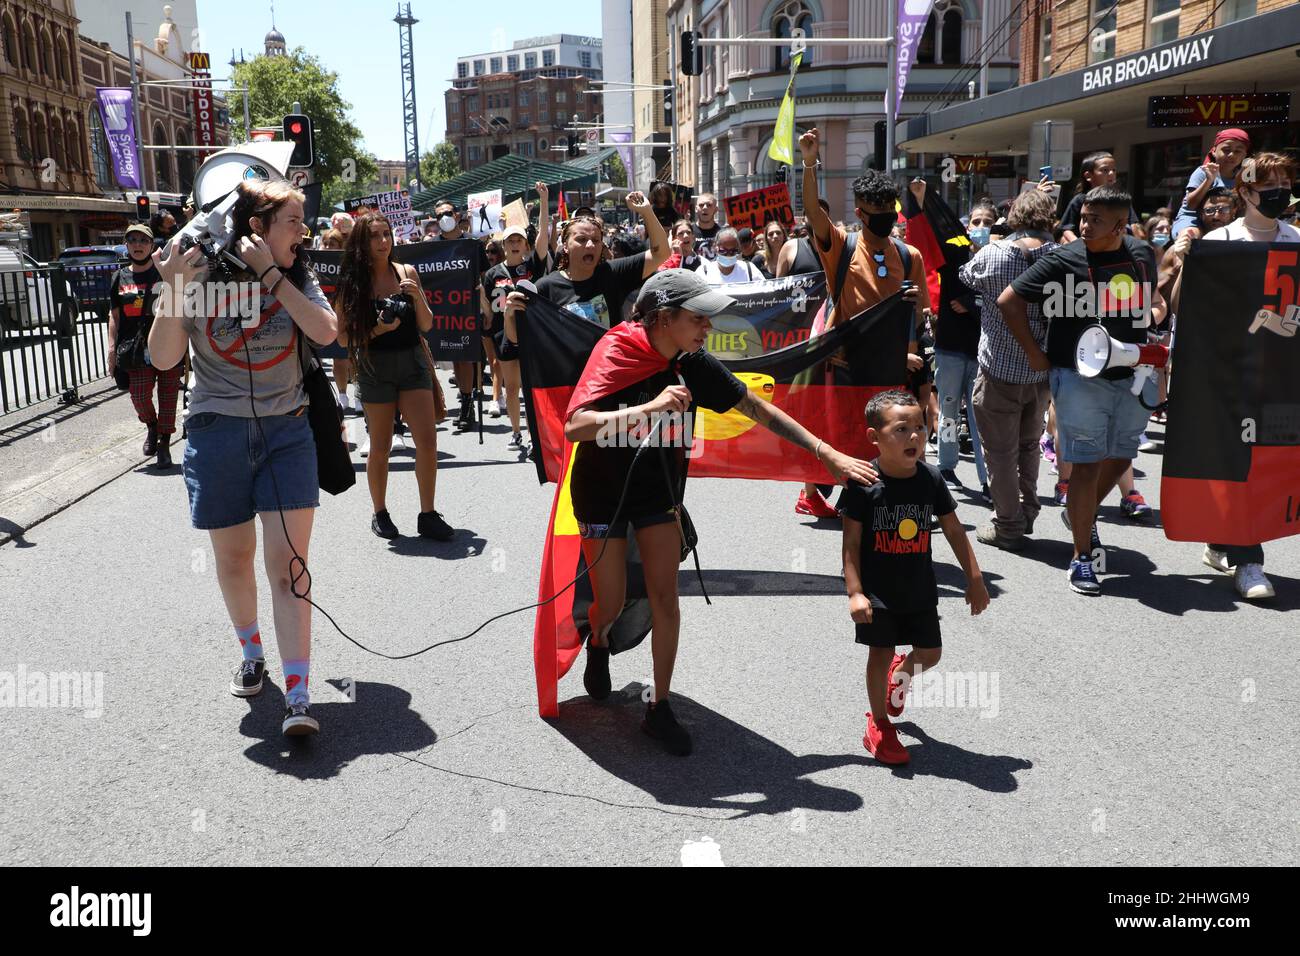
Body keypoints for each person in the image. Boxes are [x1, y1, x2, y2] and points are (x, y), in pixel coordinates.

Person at [564, 269, 878, 755]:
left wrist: (826, 453)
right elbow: (576, 427)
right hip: (601, 492)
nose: (708, 327)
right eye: (698, 317)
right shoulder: (617, 348)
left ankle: (658, 706)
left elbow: (757, 408)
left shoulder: (692, 362)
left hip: (658, 492)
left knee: (666, 598)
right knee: (609, 600)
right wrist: (649, 409)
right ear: (664, 319)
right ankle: (600, 639)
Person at [147, 178, 337, 736]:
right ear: (257, 227)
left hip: (287, 432)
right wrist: (176, 290)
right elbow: (162, 359)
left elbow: (325, 333)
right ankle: (252, 653)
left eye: (303, 222)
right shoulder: (198, 279)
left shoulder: (298, 273)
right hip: (217, 432)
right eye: (293, 223)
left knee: (288, 566)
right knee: (233, 560)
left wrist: (273, 277)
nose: (304, 233)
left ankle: (299, 695)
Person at [998, 186, 1166, 596]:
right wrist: (1037, 356)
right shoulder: (1064, 258)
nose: (1084, 225)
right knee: (1087, 465)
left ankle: (1081, 513)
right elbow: (1008, 301)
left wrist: (1156, 315)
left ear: (1121, 225)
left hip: (1132, 373)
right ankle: (1081, 557)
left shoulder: (1141, 254)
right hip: (1077, 377)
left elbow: (1155, 299)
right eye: (1084, 217)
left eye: (1095, 220)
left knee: (1122, 453)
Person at [1172, 151, 1299, 601]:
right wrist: (1188, 261)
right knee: (1235, 461)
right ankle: (1249, 560)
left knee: (1270, 465)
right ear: (1244, 192)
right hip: (1227, 374)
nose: (1280, 193)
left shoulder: (1296, 241)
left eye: (1286, 183)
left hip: (1282, 375)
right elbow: (1184, 308)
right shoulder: (1221, 241)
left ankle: (1225, 538)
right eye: (1270, 186)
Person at [842, 390, 988, 764]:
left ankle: (901, 675)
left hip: (920, 587)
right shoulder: (864, 484)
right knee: (880, 652)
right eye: (902, 429)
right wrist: (856, 593)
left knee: (931, 654)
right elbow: (851, 544)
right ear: (875, 437)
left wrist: (975, 579)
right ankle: (878, 725)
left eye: (920, 428)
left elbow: (955, 531)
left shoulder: (931, 478)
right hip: (878, 593)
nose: (915, 437)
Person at [796, 126, 928, 518]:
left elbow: (916, 315)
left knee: (886, 443)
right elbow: (813, 213)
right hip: (845, 366)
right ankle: (846, 508)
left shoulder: (910, 256)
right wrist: (809, 163)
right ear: (859, 213)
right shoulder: (841, 245)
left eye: (891, 211)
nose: (886, 218)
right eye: (878, 213)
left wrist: (909, 352)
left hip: (891, 370)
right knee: (845, 441)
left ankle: (875, 507)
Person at [335, 212, 454, 542]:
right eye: (375, 235)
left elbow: (427, 324)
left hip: (412, 363)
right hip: (375, 368)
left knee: (427, 441)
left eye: (387, 234)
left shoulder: (407, 273)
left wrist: (416, 297)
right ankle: (380, 512)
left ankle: (428, 514)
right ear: (362, 240)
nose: (383, 241)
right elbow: (343, 338)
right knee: (382, 446)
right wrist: (378, 329)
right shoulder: (353, 282)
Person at [959, 190, 1058, 550]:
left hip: (999, 368)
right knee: (1029, 445)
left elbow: (966, 278)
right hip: (1041, 371)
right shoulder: (1058, 257)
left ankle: (1008, 524)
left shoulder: (993, 254)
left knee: (1000, 453)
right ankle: (1027, 510)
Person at [924, 184, 992, 498]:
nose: (980, 227)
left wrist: (973, 303)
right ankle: (947, 465)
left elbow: (1002, 301)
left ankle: (988, 476)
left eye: (986, 222)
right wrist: (924, 197)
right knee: (949, 413)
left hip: (983, 352)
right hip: (950, 349)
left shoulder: (999, 260)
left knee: (981, 417)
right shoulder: (953, 254)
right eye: (975, 222)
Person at [520, 191, 670, 333]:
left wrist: (647, 212)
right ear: (565, 245)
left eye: (596, 240)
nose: (590, 245)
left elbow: (661, 253)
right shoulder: (546, 288)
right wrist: (510, 315)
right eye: (581, 239)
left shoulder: (613, 273)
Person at [482, 182, 551, 449]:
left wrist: (544, 202)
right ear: (503, 244)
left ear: (525, 244)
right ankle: (516, 431)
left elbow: (544, 235)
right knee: (512, 388)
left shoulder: (534, 265)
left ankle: (535, 432)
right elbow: (487, 306)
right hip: (504, 335)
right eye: (509, 240)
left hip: (533, 333)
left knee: (532, 386)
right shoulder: (492, 274)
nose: (513, 244)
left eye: (518, 240)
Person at [108, 222, 182, 469]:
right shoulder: (119, 277)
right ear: (126, 245)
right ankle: (152, 426)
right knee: (139, 396)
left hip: (167, 341)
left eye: (143, 240)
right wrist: (111, 349)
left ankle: (164, 444)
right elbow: (114, 317)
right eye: (133, 240)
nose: (138, 245)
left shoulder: (164, 272)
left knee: (169, 395)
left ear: (152, 245)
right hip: (135, 349)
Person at [431, 200, 489, 430]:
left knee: (466, 356)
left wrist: (484, 304)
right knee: (455, 356)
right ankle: (461, 401)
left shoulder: (472, 245)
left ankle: (468, 403)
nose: (443, 218)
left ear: (456, 215)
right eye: (439, 216)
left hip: (468, 307)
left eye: (447, 213)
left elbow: (485, 275)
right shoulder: (432, 247)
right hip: (444, 310)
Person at [1170, 128, 1250, 238]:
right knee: (1189, 239)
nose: (1231, 154)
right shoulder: (1203, 172)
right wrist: (1209, 180)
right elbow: (1191, 205)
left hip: (1227, 222)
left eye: (1238, 151)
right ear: (1214, 151)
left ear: (1244, 155)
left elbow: (1246, 208)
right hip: (1193, 219)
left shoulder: (1245, 176)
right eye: (1226, 150)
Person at [1058, 153, 1138, 243]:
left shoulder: (1121, 200)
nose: (1111, 173)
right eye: (1105, 170)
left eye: (1114, 170)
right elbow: (1067, 229)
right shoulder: (1080, 199)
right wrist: (1079, 245)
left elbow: (1134, 225)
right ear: (1088, 176)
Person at [697, 227, 765, 284]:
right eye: (723, 251)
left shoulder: (749, 269)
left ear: (738, 249)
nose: (728, 255)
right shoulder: (704, 271)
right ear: (715, 247)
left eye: (733, 251)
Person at [691, 193, 722, 257]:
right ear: (696, 209)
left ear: (716, 209)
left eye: (709, 205)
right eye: (701, 205)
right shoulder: (688, 232)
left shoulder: (722, 233)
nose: (705, 208)